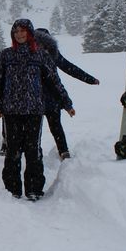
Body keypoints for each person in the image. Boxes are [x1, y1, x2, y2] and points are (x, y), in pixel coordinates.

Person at [0, 19, 74, 201]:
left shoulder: (40, 56)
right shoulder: (5, 55)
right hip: (11, 111)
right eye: (16, 32)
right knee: (13, 151)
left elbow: (54, 81)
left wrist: (66, 103)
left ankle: (34, 188)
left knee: (33, 150)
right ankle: (12, 189)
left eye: (24, 31)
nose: (20, 35)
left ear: (30, 34)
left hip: (34, 110)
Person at [34, 27, 99, 160]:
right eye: (37, 42)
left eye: (42, 42)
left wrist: (89, 79)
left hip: (52, 98)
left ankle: (64, 152)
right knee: (35, 131)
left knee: (56, 127)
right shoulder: (30, 55)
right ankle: (36, 154)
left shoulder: (54, 55)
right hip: (34, 99)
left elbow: (70, 68)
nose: (40, 45)